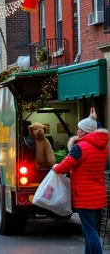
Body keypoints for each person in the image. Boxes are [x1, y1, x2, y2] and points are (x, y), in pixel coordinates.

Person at [53, 108, 109, 254]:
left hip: (85, 196)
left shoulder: (80, 148)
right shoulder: (104, 148)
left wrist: (55, 167)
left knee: (90, 232)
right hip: (99, 195)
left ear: (84, 131)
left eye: (79, 129)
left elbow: (64, 166)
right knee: (89, 230)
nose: (77, 131)